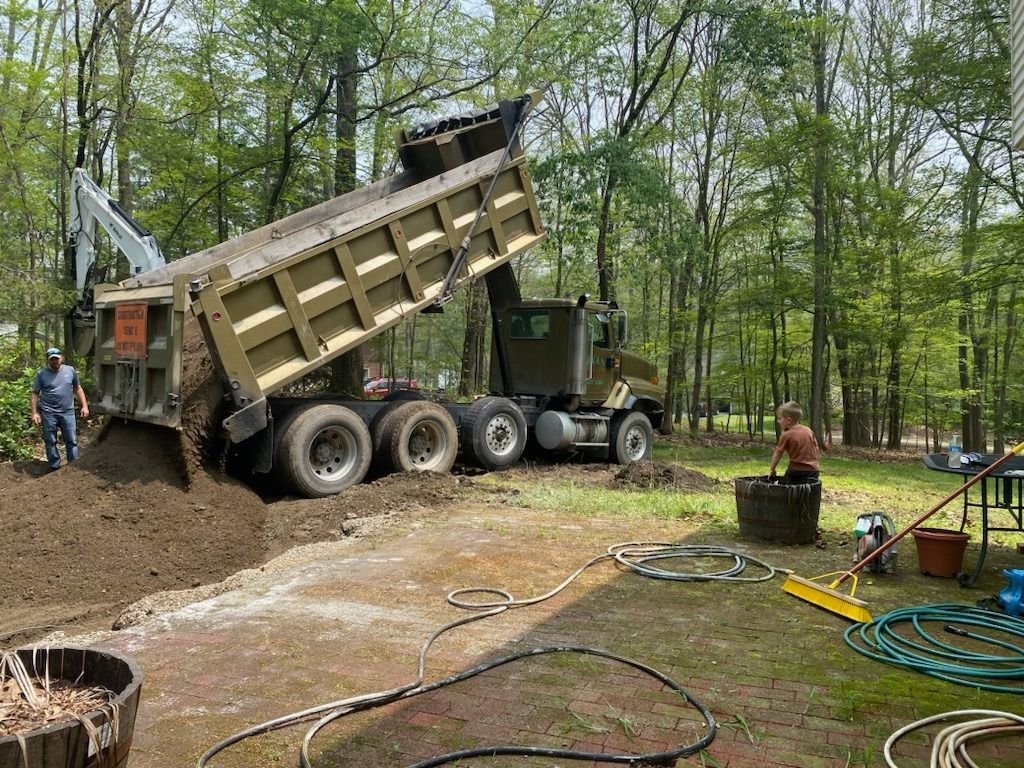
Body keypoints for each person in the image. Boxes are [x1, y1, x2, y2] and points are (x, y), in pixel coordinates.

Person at [30, 347, 89, 471]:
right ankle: (54, 466)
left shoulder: (70, 371)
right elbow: (35, 393)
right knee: (50, 440)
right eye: (52, 360)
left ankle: (73, 466)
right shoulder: (42, 374)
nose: (55, 361)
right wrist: (35, 413)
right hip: (48, 412)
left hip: (68, 411)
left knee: (71, 439)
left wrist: (84, 406)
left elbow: (78, 388)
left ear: (61, 358)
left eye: (57, 359)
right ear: (48, 360)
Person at [769, 400, 820, 484]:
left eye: (779, 418)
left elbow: (778, 453)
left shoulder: (786, 435)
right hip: (813, 470)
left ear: (788, 420)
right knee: (808, 492)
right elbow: (816, 448)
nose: (778, 421)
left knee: (788, 491)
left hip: (796, 470)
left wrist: (772, 468)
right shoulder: (809, 431)